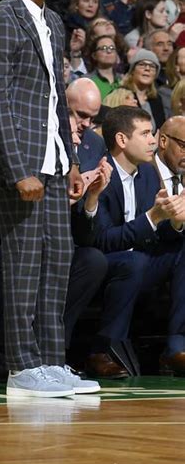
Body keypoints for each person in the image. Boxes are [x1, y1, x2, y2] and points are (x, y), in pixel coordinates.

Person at [0, 0, 99, 397]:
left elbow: (55, 102)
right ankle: (21, 367)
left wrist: (70, 159)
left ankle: (51, 360)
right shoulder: (0, 19)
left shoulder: (54, 22)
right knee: (25, 263)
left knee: (58, 260)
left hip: (52, 159)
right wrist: (17, 170)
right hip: (19, 164)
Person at [86, 108, 185, 377]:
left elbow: (157, 232)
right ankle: (101, 350)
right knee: (134, 261)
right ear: (122, 140)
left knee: (182, 248)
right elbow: (102, 240)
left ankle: (176, 347)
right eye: (145, 134)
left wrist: (175, 221)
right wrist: (153, 217)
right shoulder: (100, 173)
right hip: (102, 264)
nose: (153, 140)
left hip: (138, 262)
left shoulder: (148, 174)